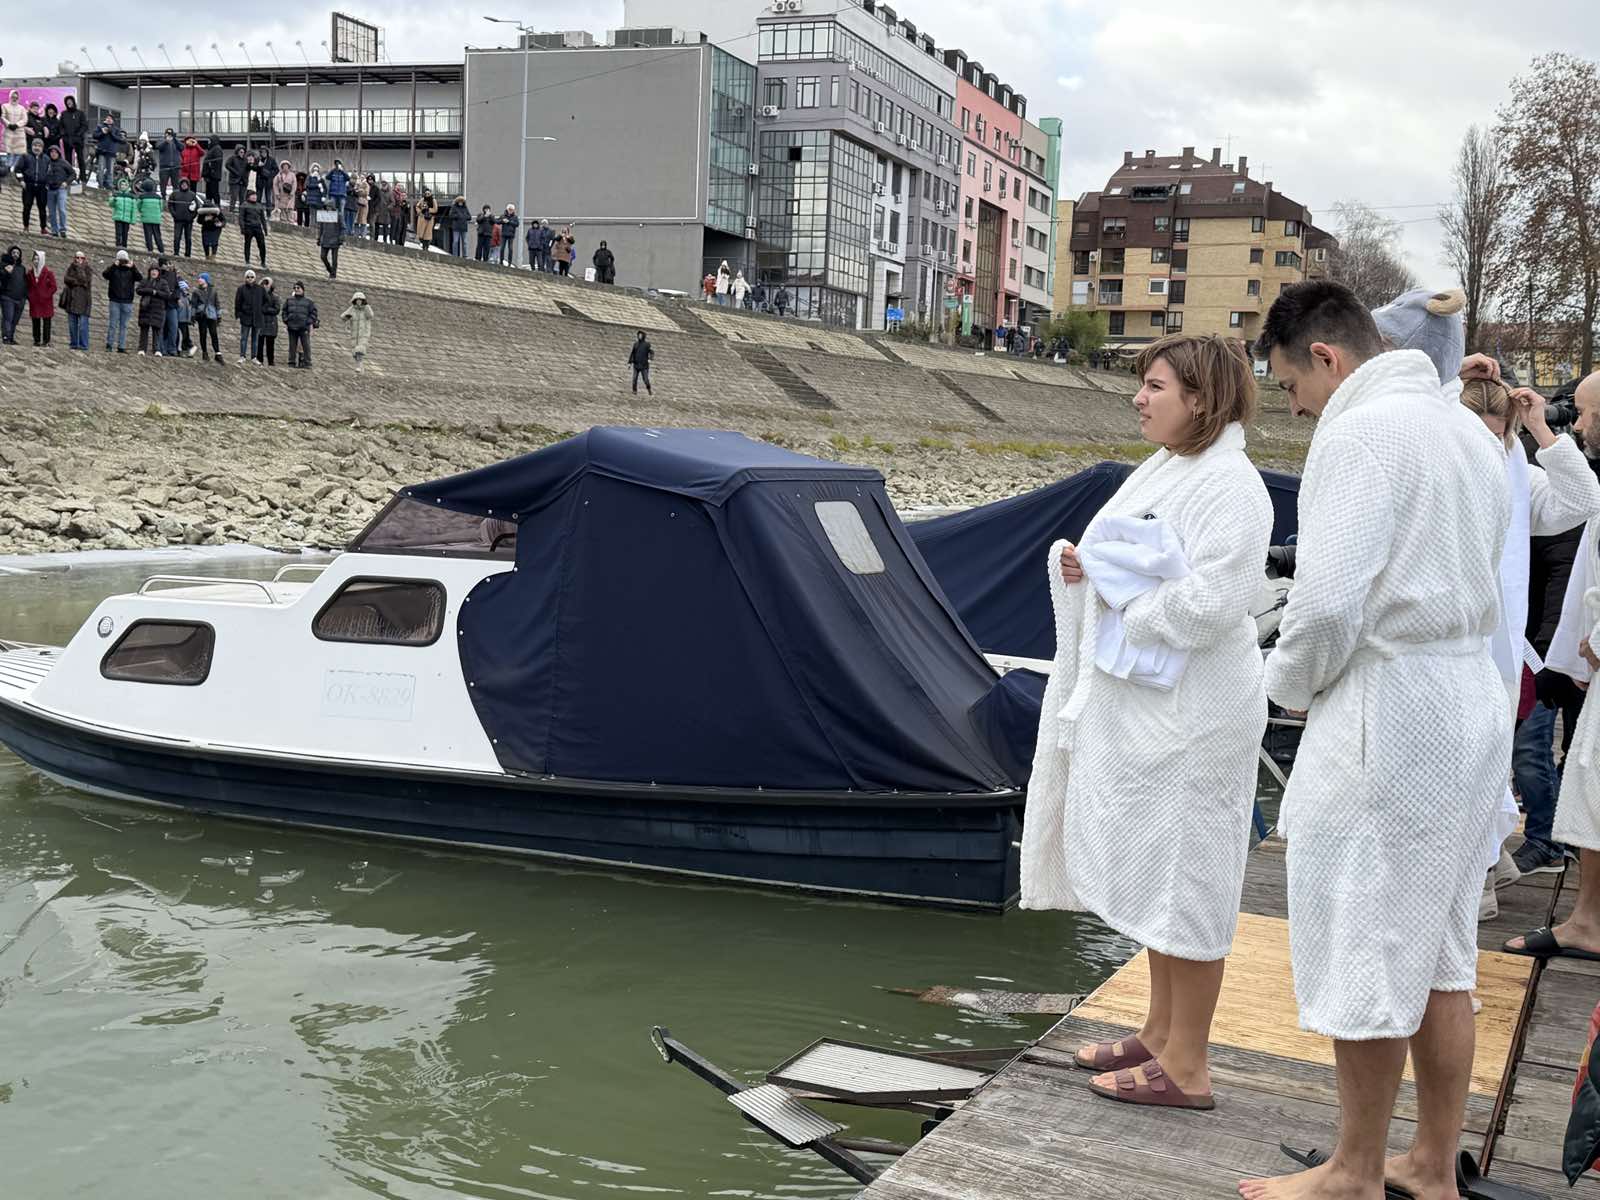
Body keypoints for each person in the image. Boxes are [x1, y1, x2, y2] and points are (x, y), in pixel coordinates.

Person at [1238, 281, 1509, 1200]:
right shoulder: (1466, 430)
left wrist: (1285, 690)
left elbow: (1325, 606)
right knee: (1441, 949)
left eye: (1289, 386)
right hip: (1468, 695)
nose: (1294, 408)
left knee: (1366, 932)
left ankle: (1353, 1170)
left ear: (1327, 356)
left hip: (1393, 710)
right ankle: (1431, 1162)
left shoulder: (1359, 435)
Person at [1023, 334, 1271, 1113]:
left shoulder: (1233, 487)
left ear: (1200, 398)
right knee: (1162, 872)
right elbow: (1130, 559)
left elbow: (1212, 603)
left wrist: (1119, 591)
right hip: (1157, 711)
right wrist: (1089, 569)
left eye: (1155, 385)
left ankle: (1188, 1065)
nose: (1139, 397)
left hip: (1199, 716)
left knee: (1190, 879)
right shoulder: (1170, 467)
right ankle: (1161, 1032)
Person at [1505, 371, 1600, 962]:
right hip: (1563, 648)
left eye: (1586, 414)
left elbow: (1570, 562)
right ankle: (1586, 917)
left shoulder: (1538, 486)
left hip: (1556, 647)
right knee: (1585, 777)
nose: (1579, 425)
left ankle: (1543, 844)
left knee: (1551, 761)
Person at [102, 249, 137, 353]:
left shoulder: (131, 270)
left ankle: (121, 346)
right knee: (113, 324)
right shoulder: (114, 269)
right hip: (115, 301)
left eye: (124, 260)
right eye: (121, 260)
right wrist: (114, 265)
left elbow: (139, 278)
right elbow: (105, 275)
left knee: (124, 325)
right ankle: (109, 345)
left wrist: (133, 267)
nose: (123, 262)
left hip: (127, 302)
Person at [14, 137, 50, 232]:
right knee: (27, 207)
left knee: (42, 208)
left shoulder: (46, 159)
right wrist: (21, 180)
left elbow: (50, 173)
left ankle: (43, 228)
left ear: (42, 148)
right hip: (28, 186)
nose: (37, 148)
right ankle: (26, 226)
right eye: (35, 145)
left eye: (39, 146)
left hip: (42, 187)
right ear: (32, 146)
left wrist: (47, 184)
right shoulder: (25, 156)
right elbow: (17, 170)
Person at [60, 250, 92, 352]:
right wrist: (77, 282)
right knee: (72, 325)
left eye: (81, 258)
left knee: (83, 326)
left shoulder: (87, 269)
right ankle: (74, 344)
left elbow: (85, 280)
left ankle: (83, 345)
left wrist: (79, 269)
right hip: (72, 301)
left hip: (84, 302)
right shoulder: (70, 268)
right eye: (77, 257)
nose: (79, 260)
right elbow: (66, 279)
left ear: (85, 259)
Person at [281, 281, 318, 368]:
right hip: (292, 326)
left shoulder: (309, 302)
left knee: (306, 346)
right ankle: (291, 362)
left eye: (298, 288)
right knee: (292, 346)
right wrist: (287, 320)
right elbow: (284, 311)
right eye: (295, 288)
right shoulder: (289, 300)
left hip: (303, 327)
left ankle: (307, 362)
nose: (296, 289)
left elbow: (314, 314)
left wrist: (307, 322)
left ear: (303, 289)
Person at [24, 250, 55, 347]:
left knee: (47, 321)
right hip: (35, 301)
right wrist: (30, 296)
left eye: (38, 259)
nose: (36, 261)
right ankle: (36, 340)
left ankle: (46, 341)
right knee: (35, 320)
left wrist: (46, 295)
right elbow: (27, 286)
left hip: (46, 302)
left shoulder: (48, 273)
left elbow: (53, 287)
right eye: (34, 259)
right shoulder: (30, 273)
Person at [43, 145, 75, 237]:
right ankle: (54, 230)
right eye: (51, 152)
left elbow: (73, 174)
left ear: (58, 153)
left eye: (55, 152)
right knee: (51, 212)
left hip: (61, 189)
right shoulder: (47, 163)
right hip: (50, 190)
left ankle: (63, 229)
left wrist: (66, 182)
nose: (53, 154)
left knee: (62, 209)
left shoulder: (64, 163)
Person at [134, 265, 166, 356]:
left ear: (158, 272)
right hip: (146, 309)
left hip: (157, 309)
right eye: (152, 270)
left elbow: (167, 294)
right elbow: (138, 290)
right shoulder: (145, 281)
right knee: (144, 329)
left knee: (156, 330)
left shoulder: (163, 282)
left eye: (156, 270)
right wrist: (150, 290)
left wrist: (156, 292)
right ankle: (142, 349)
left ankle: (156, 350)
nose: (154, 272)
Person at [234, 268, 263, 363]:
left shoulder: (260, 289)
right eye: (248, 277)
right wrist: (239, 314)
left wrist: (261, 310)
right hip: (246, 317)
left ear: (255, 278)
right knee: (244, 338)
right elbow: (237, 302)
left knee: (255, 339)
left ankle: (254, 357)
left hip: (257, 317)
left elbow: (267, 301)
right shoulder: (241, 289)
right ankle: (242, 356)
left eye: (252, 277)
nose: (250, 278)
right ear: (245, 278)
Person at [191, 272, 221, 363]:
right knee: (203, 334)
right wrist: (192, 315)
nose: (199, 279)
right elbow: (193, 305)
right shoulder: (196, 292)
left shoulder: (213, 291)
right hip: (202, 315)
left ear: (206, 280)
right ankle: (204, 352)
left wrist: (219, 315)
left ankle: (217, 353)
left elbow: (217, 304)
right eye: (199, 278)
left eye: (201, 278)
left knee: (214, 334)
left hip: (212, 315)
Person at [340, 291, 373, 371]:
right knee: (355, 352)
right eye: (357, 300)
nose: (359, 302)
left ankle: (358, 367)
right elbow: (343, 317)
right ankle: (360, 367)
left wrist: (366, 306)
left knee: (360, 350)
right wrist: (347, 316)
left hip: (364, 333)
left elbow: (370, 315)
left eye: (360, 300)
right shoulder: (352, 309)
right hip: (354, 334)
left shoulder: (366, 308)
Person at [167, 177, 199, 257]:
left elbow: (197, 207)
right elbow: (170, 205)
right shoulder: (174, 194)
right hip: (178, 220)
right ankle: (176, 253)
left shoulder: (192, 195)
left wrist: (192, 216)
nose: (184, 185)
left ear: (188, 185)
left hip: (188, 221)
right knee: (177, 237)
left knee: (188, 238)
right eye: (183, 184)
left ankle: (188, 254)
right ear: (180, 185)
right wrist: (174, 214)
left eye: (185, 184)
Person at [94, 118, 126, 189]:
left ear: (113, 120)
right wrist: (102, 133)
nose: (109, 119)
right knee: (101, 169)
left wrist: (111, 132)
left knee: (110, 170)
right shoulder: (100, 126)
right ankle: (100, 184)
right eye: (107, 118)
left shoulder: (116, 129)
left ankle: (109, 184)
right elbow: (95, 135)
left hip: (111, 152)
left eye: (110, 118)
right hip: (102, 151)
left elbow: (120, 139)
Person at [239, 190, 269, 267]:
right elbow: (241, 217)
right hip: (248, 227)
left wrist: (265, 229)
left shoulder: (259, 205)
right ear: (248, 197)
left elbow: (263, 219)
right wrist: (242, 228)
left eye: (255, 195)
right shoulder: (244, 204)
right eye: (252, 195)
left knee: (262, 244)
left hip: (258, 227)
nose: (254, 197)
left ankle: (263, 262)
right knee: (247, 244)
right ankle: (247, 261)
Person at [0, 245, 23, 344]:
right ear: (10, 253)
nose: (16, 255)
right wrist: (6, 272)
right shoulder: (4, 265)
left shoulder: (21, 268)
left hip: (19, 298)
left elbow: (23, 282)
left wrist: (24, 296)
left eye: (18, 253)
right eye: (14, 253)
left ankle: (11, 337)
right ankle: (6, 337)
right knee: (8, 318)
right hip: (7, 296)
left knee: (14, 320)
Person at [254, 277, 279, 367]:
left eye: (267, 284)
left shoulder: (275, 297)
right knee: (259, 343)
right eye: (263, 284)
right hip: (261, 322)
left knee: (270, 344)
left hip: (271, 323)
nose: (265, 285)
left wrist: (265, 309)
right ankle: (259, 360)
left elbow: (276, 310)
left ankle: (271, 361)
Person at [137, 174, 164, 252]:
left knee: (148, 235)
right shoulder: (158, 197)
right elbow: (161, 207)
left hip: (146, 218)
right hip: (156, 219)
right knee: (157, 235)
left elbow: (138, 206)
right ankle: (161, 250)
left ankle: (150, 250)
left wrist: (142, 211)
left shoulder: (142, 197)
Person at [2, 92, 28, 170]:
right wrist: (9, 124)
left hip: (19, 134)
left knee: (18, 155)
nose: (14, 99)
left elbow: (25, 119)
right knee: (9, 154)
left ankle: (14, 171)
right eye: (13, 97)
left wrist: (17, 125)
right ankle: (8, 172)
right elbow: (2, 117)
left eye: (16, 97)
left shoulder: (22, 108)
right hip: (8, 133)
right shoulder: (4, 106)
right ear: (10, 97)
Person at [196, 193, 226, 260]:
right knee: (205, 243)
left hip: (215, 229)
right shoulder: (202, 212)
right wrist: (205, 219)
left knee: (214, 242)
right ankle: (207, 256)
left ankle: (213, 256)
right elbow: (199, 221)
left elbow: (223, 220)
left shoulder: (217, 211)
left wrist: (221, 224)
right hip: (206, 228)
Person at [318, 202, 343, 278]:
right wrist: (319, 238)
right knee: (323, 256)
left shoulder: (338, 216)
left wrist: (341, 238)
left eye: (329, 207)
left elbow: (342, 227)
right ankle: (330, 270)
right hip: (325, 239)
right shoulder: (324, 215)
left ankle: (333, 274)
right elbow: (321, 228)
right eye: (326, 207)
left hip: (335, 239)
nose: (328, 208)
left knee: (334, 259)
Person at [627, 329, 654, 395]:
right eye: (639, 335)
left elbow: (652, 352)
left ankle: (649, 389)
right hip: (636, 365)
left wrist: (650, 359)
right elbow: (632, 353)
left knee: (646, 379)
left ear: (643, 336)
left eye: (641, 335)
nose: (640, 336)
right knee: (634, 379)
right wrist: (629, 363)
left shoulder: (647, 344)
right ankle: (634, 391)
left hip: (644, 366)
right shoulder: (635, 344)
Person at [156, 129, 181, 196]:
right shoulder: (161, 140)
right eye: (168, 133)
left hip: (175, 167)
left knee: (176, 184)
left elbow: (182, 147)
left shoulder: (176, 141)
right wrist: (166, 141)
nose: (169, 135)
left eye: (170, 134)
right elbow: (159, 147)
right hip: (164, 167)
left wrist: (175, 139)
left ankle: (175, 197)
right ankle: (163, 196)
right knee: (163, 184)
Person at [174, 279, 195, 357]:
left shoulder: (187, 297)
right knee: (181, 335)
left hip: (185, 320)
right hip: (180, 319)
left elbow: (189, 308)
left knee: (185, 335)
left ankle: (186, 349)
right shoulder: (179, 296)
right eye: (185, 288)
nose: (186, 290)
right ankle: (179, 350)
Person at [272, 159, 296, 224]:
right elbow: (275, 184)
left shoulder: (292, 175)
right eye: (284, 166)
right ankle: (283, 221)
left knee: (289, 209)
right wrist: (277, 193)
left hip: (289, 195)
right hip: (281, 194)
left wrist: (292, 193)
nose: (285, 167)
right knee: (282, 209)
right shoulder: (278, 175)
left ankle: (290, 222)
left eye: (286, 166)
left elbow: (294, 185)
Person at [200, 138, 223, 205]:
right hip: (209, 175)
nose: (208, 142)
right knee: (209, 193)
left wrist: (211, 168)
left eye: (209, 141)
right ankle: (208, 206)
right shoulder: (211, 149)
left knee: (214, 192)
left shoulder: (217, 149)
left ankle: (217, 205)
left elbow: (217, 161)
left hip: (212, 175)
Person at [389, 182, 409, 247]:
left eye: (404, 196)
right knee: (395, 228)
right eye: (402, 196)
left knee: (400, 230)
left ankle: (400, 242)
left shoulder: (406, 203)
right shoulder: (394, 193)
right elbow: (395, 203)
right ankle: (394, 241)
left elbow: (407, 212)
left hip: (402, 217)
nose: (403, 197)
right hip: (396, 214)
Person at [351, 174, 369, 239]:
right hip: (356, 204)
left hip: (363, 205)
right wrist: (359, 191)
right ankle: (356, 235)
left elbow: (366, 193)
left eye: (362, 177)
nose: (361, 178)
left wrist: (359, 191)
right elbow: (354, 192)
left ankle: (363, 236)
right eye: (360, 177)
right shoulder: (357, 184)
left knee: (363, 221)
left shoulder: (366, 184)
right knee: (356, 221)